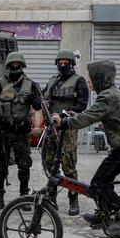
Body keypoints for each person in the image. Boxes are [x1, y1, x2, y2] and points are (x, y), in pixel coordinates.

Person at [51, 60, 120, 238]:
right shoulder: (112, 93)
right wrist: (77, 115)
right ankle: (105, 212)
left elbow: (88, 118)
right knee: (105, 178)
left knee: (98, 184)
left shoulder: (107, 96)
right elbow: (91, 114)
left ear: (100, 79)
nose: (89, 81)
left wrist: (63, 122)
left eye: (91, 78)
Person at [0, 52, 42, 212]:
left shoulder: (30, 85)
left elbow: (38, 107)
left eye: (18, 64)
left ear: (22, 65)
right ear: (8, 66)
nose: (15, 66)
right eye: (13, 64)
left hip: (21, 133)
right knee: (0, 166)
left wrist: (36, 99)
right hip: (4, 132)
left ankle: (24, 198)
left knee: (24, 165)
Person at [41, 49, 89, 215]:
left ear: (71, 64)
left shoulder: (79, 81)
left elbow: (82, 105)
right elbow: (44, 97)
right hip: (51, 128)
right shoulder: (53, 81)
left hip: (67, 128)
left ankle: (73, 198)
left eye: (65, 63)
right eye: (60, 63)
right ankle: (51, 197)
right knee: (49, 163)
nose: (62, 65)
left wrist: (64, 114)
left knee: (68, 164)